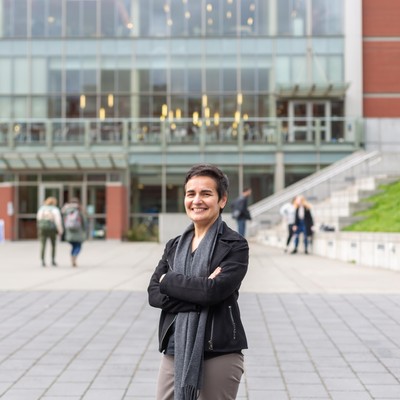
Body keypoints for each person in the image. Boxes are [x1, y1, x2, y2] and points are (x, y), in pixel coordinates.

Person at [148, 164, 249, 400]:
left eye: (206, 194)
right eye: (190, 193)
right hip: (175, 350)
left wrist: (169, 281)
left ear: (222, 200)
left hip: (219, 352)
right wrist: (199, 289)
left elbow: (213, 293)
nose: (197, 200)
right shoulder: (174, 245)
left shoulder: (234, 245)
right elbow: (154, 294)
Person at [37, 197, 63, 267]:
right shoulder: (55, 210)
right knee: (53, 245)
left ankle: (42, 260)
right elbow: (58, 221)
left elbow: (39, 218)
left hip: (43, 228)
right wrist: (60, 229)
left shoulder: (42, 209)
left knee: (43, 244)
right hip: (52, 229)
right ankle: (53, 260)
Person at [61, 198, 86, 267]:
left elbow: (63, 221)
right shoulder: (79, 210)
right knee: (78, 246)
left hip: (69, 232)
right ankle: (74, 257)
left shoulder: (66, 210)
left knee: (73, 246)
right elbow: (84, 221)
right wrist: (85, 230)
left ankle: (72, 257)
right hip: (78, 231)